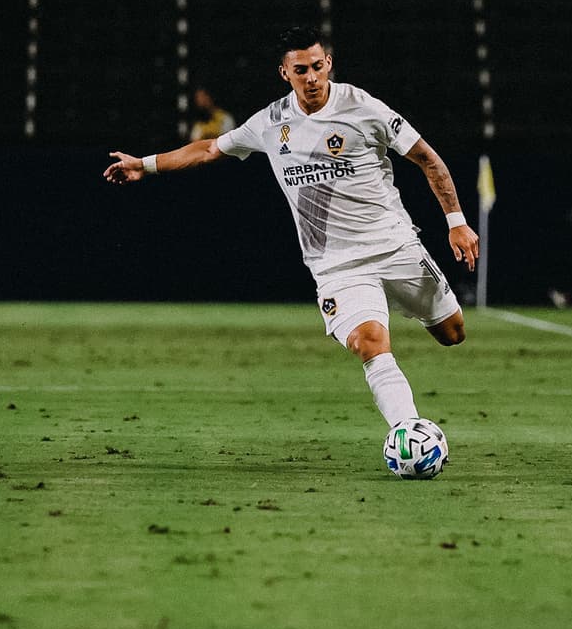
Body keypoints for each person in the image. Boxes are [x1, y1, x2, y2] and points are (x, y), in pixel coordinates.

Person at [104, 25, 479, 428]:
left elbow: (427, 157)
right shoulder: (271, 122)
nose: (312, 77)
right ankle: (408, 432)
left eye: (318, 67)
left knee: (452, 333)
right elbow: (210, 148)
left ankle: (416, 309)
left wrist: (456, 222)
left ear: (329, 64)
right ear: (285, 73)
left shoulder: (364, 107)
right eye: (301, 70)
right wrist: (144, 164)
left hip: (394, 245)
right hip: (336, 265)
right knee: (371, 343)